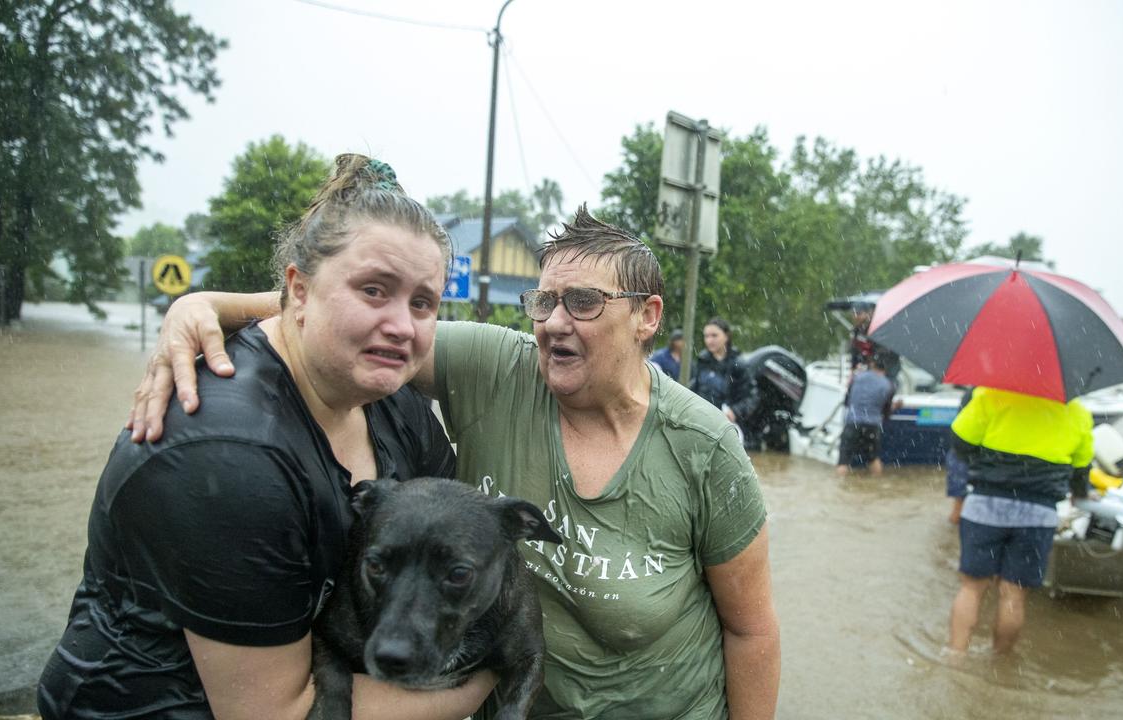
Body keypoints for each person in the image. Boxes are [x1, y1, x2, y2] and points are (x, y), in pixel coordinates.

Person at [125, 207, 782, 720]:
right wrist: (205, 306)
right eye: (544, 301)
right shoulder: (499, 368)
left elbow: (751, 630)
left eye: (583, 302)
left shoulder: (702, 446)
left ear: (647, 317)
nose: (554, 323)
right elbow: (357, 315)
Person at [38, 155, 494, 719]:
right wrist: (504, 670)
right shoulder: (230, 456)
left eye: (422, 301)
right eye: (375, 290)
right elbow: (277, 715)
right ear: (297, 292)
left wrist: (207, 300)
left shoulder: (390, 401)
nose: (402, 324)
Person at [946, 386, 1093, 655]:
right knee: (1013, 593)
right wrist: (1079, 492)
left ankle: (956, 657)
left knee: (972, 588)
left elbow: (960, 442)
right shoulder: (1078, 412)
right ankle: (1000, 663)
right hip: (1038, 513)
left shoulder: (990, 396)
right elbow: (1081, 470)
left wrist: (985, 461)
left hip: (985, 505)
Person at [834, 351, 899, 477]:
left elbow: (847, 402)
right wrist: (895, 407)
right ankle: (876, 485)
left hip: (853, 423)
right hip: (872, 426)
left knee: (843, 461)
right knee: (873, 459)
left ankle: (839, 490)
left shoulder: (857, 377)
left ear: (872, 363)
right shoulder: (889, 386)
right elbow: (886, 414)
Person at [690, 317, 759, 430]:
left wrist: (735, 412)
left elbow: (752, 397)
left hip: (728, 425)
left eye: (714, 335)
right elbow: (694, 389)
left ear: (726, 336)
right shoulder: (702, 360)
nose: (709, 340)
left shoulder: (739, 364)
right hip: (701, 422)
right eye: (706, 336)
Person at [944, 386, 976, 524]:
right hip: (966, 456)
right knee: (960, 507)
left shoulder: (974, 391)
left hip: (961, 454)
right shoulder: (978, 393)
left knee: (960, 504)